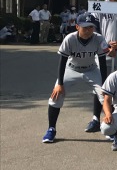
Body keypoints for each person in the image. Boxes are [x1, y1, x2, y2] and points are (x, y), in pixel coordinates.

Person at [41, 13, 109, 143]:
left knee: (106, 96)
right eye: (85, 27)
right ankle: (51, 129)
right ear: (77, 26)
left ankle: (111, 129)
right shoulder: (70, 39)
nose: (88, 30)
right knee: (56, 96)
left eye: (91, 27)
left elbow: (102, 63)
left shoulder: (99, 38)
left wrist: (105, 85)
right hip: (71, 69)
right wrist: (60, 83)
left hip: (91, 69)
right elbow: (62, 62)